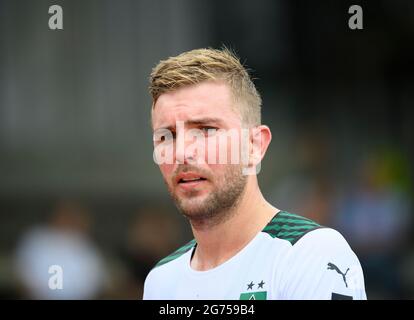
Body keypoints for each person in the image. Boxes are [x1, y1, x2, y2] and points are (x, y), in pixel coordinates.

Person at [143, 48, 366, 300]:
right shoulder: (161, 280)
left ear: (254, 146)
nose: (182, 152)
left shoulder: (311, 255)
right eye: (167, 136)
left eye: (206, 129)